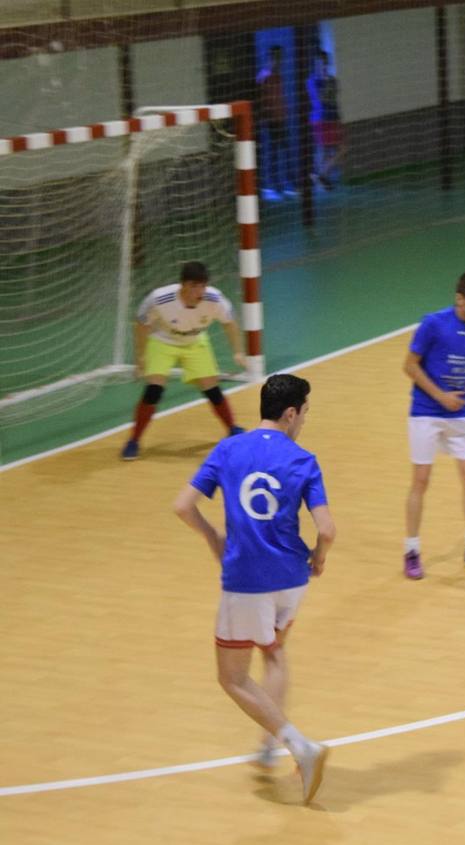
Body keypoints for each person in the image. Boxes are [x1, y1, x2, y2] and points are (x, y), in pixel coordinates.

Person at [172, 373, 335, 802]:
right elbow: (328, 530)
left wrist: (213, 538)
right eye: (304, 413)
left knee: (232, 678)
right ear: (289, 413)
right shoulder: (304, 459)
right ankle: (268, 745)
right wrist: (319, 554)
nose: (304, 422)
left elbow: (183, 506)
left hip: (246, 579)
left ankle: (299, 746)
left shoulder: (229, 449)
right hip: (292, 578)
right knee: (273, 650)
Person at [403, 271, 465, 578]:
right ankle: (412, 551)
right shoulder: (433, 323)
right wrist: (441, 396)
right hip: (426, 411)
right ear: (459, 299)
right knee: (421, 480)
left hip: (459, 414)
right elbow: (409, 366)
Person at [121, 261, 246, 461]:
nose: (200, 291)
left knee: (211, 388)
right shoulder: (159, 299)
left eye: (203, 286)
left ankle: (232, 428)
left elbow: (230, 323)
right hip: (163, 341)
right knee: (154, 390)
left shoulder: (215, 300)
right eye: (194, 286)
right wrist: (140, 358)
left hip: (195, 341)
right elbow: (141, 324)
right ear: (183, 286)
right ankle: (133, 440)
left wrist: (238, 352)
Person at [257, 45, 295, 199]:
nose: (279, 62)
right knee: (274, 153)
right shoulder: (263, 77)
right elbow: (262, 100)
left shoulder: (279, 76)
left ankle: (289, 182)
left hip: (282, 119)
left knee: (286, 151)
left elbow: (279, 97)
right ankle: (275, 185)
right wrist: (265, 116)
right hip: (271, 121)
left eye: (281, 59)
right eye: (277, 59)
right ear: (270, 59)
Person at [306, 50, 345, 190]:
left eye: (324, 62)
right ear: (315, 64)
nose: (323, 66)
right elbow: (320, 100)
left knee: (339, 149)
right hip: (321, 119)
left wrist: (339, 119)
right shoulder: (312, 80)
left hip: (333, 118)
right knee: (324, 150)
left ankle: (321, 176)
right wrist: (327, 84)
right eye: (319, 63)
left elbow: (334, 98)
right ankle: (321, 177)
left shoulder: (331, 79)